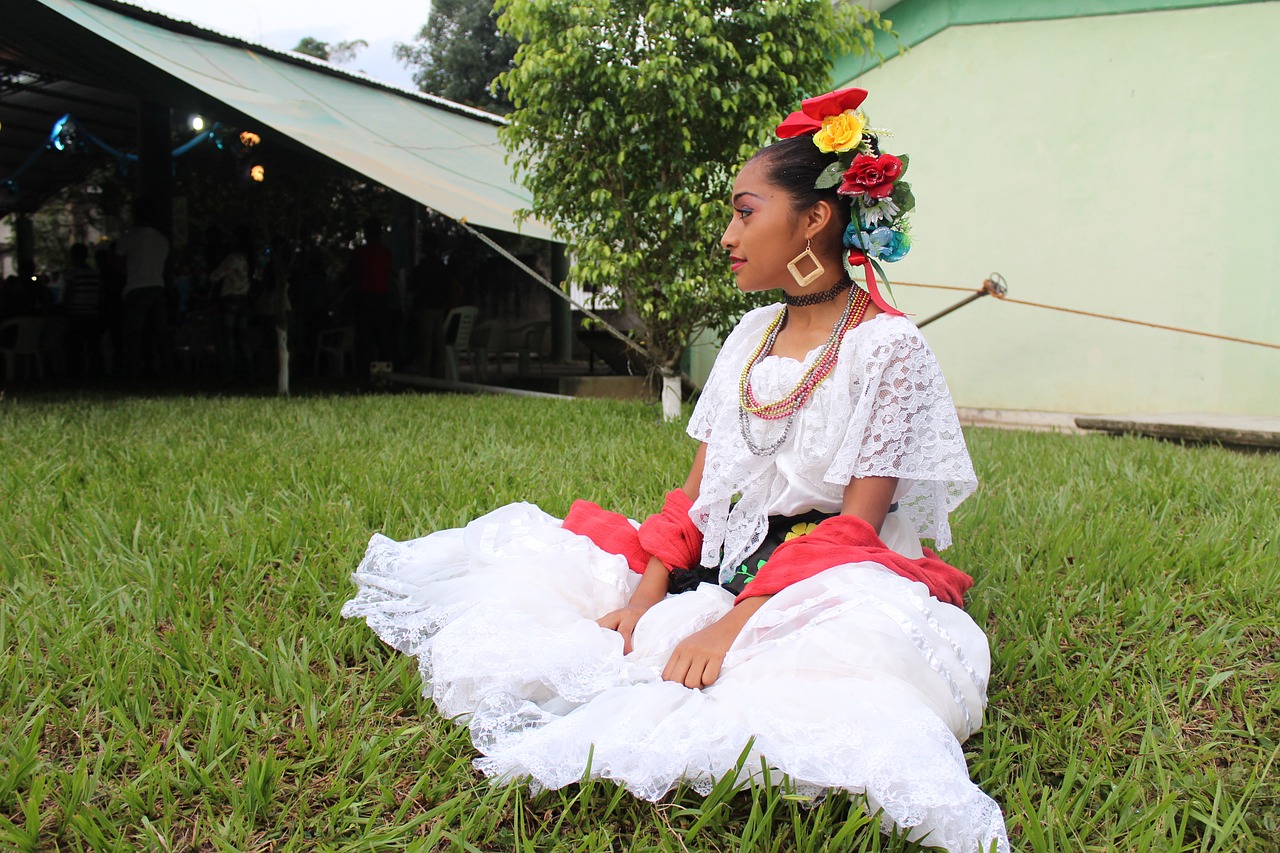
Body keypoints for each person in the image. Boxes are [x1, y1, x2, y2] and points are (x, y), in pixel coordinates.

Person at [342, 88, 1009, 852]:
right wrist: (647, 594)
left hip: (824, 574)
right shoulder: (751, 333)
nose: (729, 235)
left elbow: (856, 526)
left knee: (843, 671)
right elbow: (698, 494)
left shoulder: (885, 348)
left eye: (745, 212)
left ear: (816, 218)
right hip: (726, 557)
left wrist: (731, 622)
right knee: (579, 605)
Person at [115, 198, 170, 380]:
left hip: (136, 289)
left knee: (134, 335)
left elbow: (118, 264)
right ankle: (165, 370)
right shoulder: (162, 240)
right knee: (159, 334)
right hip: (157, 287)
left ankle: (135, 372)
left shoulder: (129, 238)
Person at [61, 243, 104, 379]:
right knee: (92, 346)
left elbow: (69, 292)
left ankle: (76, 373)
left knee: (75, 346)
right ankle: (95, 373)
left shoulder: (71, 273)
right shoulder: (94, 274)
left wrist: (65, 308)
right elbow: (100, 294)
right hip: (92, 313)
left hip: (76, 313)